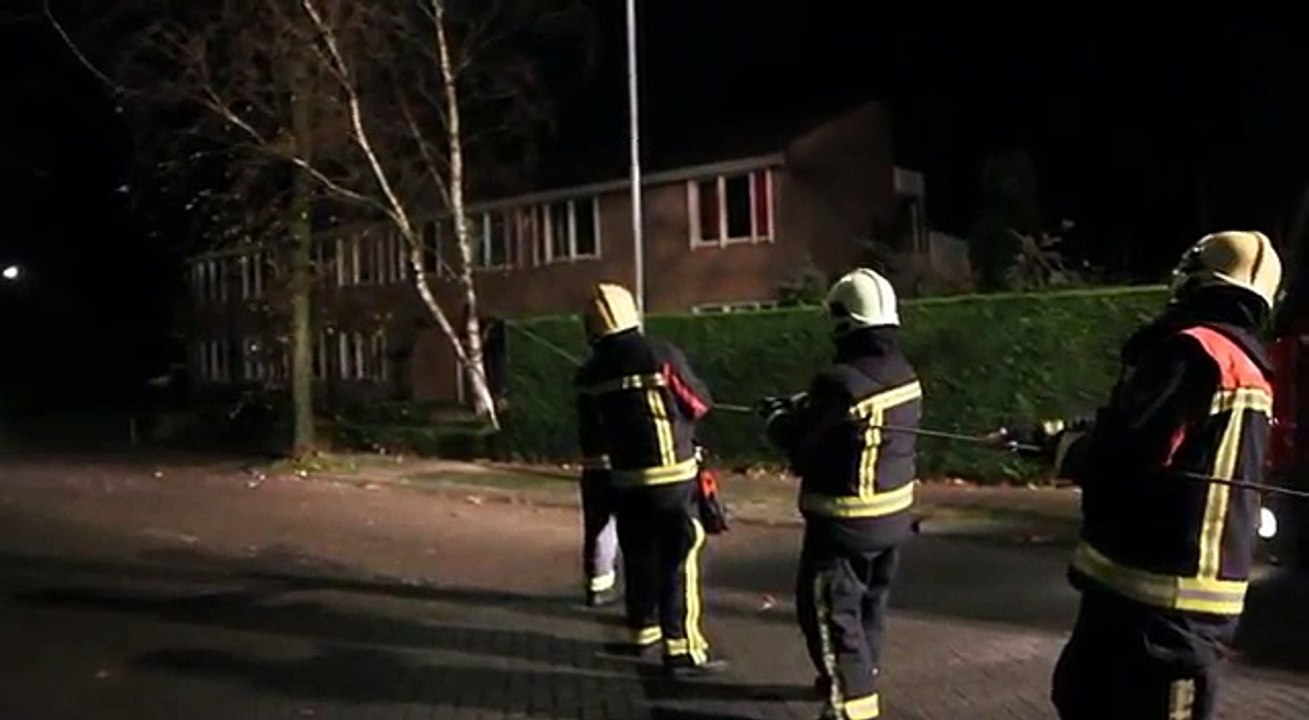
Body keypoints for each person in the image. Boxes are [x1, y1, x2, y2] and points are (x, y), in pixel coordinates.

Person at [996, 231, 1283, 720]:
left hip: (1149, 615)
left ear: (1196, 279)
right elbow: (1140, 425)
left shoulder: (1192, 351)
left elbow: (1122, 452)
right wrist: (1045, 435)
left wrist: (1068, 452)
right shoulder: (1246, 365)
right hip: (1180, 618)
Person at [761, 268, 921, 720]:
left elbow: (804, 441)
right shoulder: (903, 372)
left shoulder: (838, 382)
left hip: (844, 525)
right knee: (870, 608)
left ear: (843, 320)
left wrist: (775, 419)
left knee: (833, 618)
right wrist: (803, 404)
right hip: (891, 522)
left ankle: (853, 707)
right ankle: (857, 677)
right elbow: (846, 417)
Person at [574, 282, 727, 678]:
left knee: (639, 554)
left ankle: (643, 630)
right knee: (680, 555)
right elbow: (698, 403)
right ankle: (683, 649)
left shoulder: (589, 373)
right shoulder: (659, 354)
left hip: (623, 480)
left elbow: (592, 437)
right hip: (672, 478)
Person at [578, 452, 621, 607]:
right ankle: (601, 588)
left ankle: (596, 585)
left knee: (596, 528)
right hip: (618, 467)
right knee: (608, 528)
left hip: (592, 467)